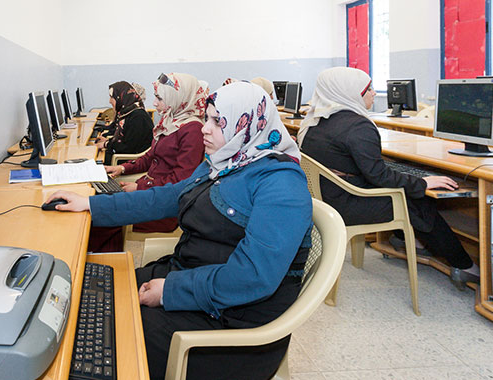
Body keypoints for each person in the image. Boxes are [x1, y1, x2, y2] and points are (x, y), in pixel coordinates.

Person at [47, 81, 312, 380]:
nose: (204, 128)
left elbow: (252, 277)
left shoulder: (281, 185)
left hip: (233, 327)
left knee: (111, 337)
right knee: (92, 291)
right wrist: (91, 205)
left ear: (248, 124)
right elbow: (166, 197)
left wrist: (170, 290)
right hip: (192, 279)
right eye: (207, 117)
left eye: (217, 121)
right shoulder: (222, 164)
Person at [298, 66, 479, 288]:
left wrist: (407, 177)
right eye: (369, 88)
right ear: (351, 92)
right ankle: (464, 265)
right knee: (419, 202)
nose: (374, 93)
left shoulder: (316, 122)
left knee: (406, 189)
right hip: (348, 203)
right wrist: (422, 182)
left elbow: (366, 169)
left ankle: (409, 240)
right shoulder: (357, 126)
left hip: (327, 198)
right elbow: (379, 176)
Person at [91, 72, 206, 252]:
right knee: (102, 205)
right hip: (150, 191)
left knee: (103, 217)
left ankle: (101, 266)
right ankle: (107, 261)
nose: (153, 103)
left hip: (164, 205)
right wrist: (121, 167)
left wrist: (140, 188)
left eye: (160, 98)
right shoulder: (171, 121)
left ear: (177, 97)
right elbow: (149, 157)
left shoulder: (193, 130)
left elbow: (182, 181)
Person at [95, 81, 153, 165]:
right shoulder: (128, 113)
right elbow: (126, 140)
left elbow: (128, 147)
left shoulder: (138, 117)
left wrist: (106, 144)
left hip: (131, 161)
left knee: (93, 161)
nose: (110, 101)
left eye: (112, 97)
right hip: (126, 155)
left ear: (121, 98)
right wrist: (109, 141)